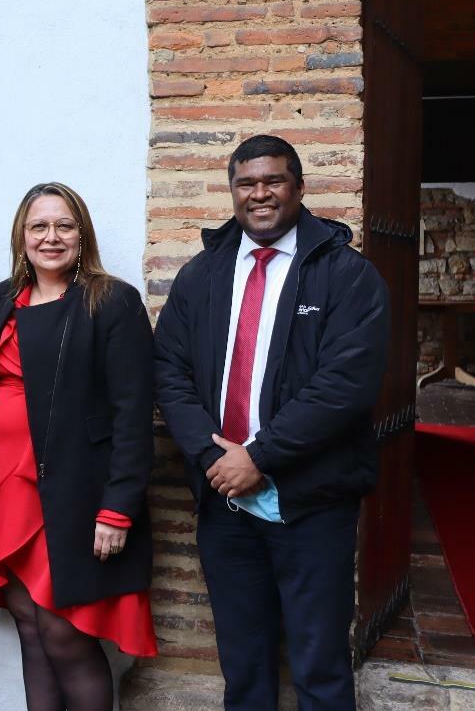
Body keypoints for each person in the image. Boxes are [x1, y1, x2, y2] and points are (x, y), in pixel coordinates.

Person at [154, 135, 389, 711]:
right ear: (232, 191)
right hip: (225, 505)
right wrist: (213, 458)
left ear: (299, 187)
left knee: (319, 666)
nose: (259, 194)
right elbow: (168, 371)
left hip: (312, 502)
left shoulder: (346, 275)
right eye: (246, 183)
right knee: (243, 666)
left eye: (273, 181)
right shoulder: (203, 274)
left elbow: (344, 387)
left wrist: (258, 457)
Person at [0, 183, 157, 711]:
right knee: (28, 624)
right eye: (39, 226)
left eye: (64, 226)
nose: (51, 237)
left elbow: (133, 415)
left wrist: (117, 509)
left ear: (82, 233)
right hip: (7, 487)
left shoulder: (111, 300)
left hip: (73, 494)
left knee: (65, 632)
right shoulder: (6, 296)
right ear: (21, 236)